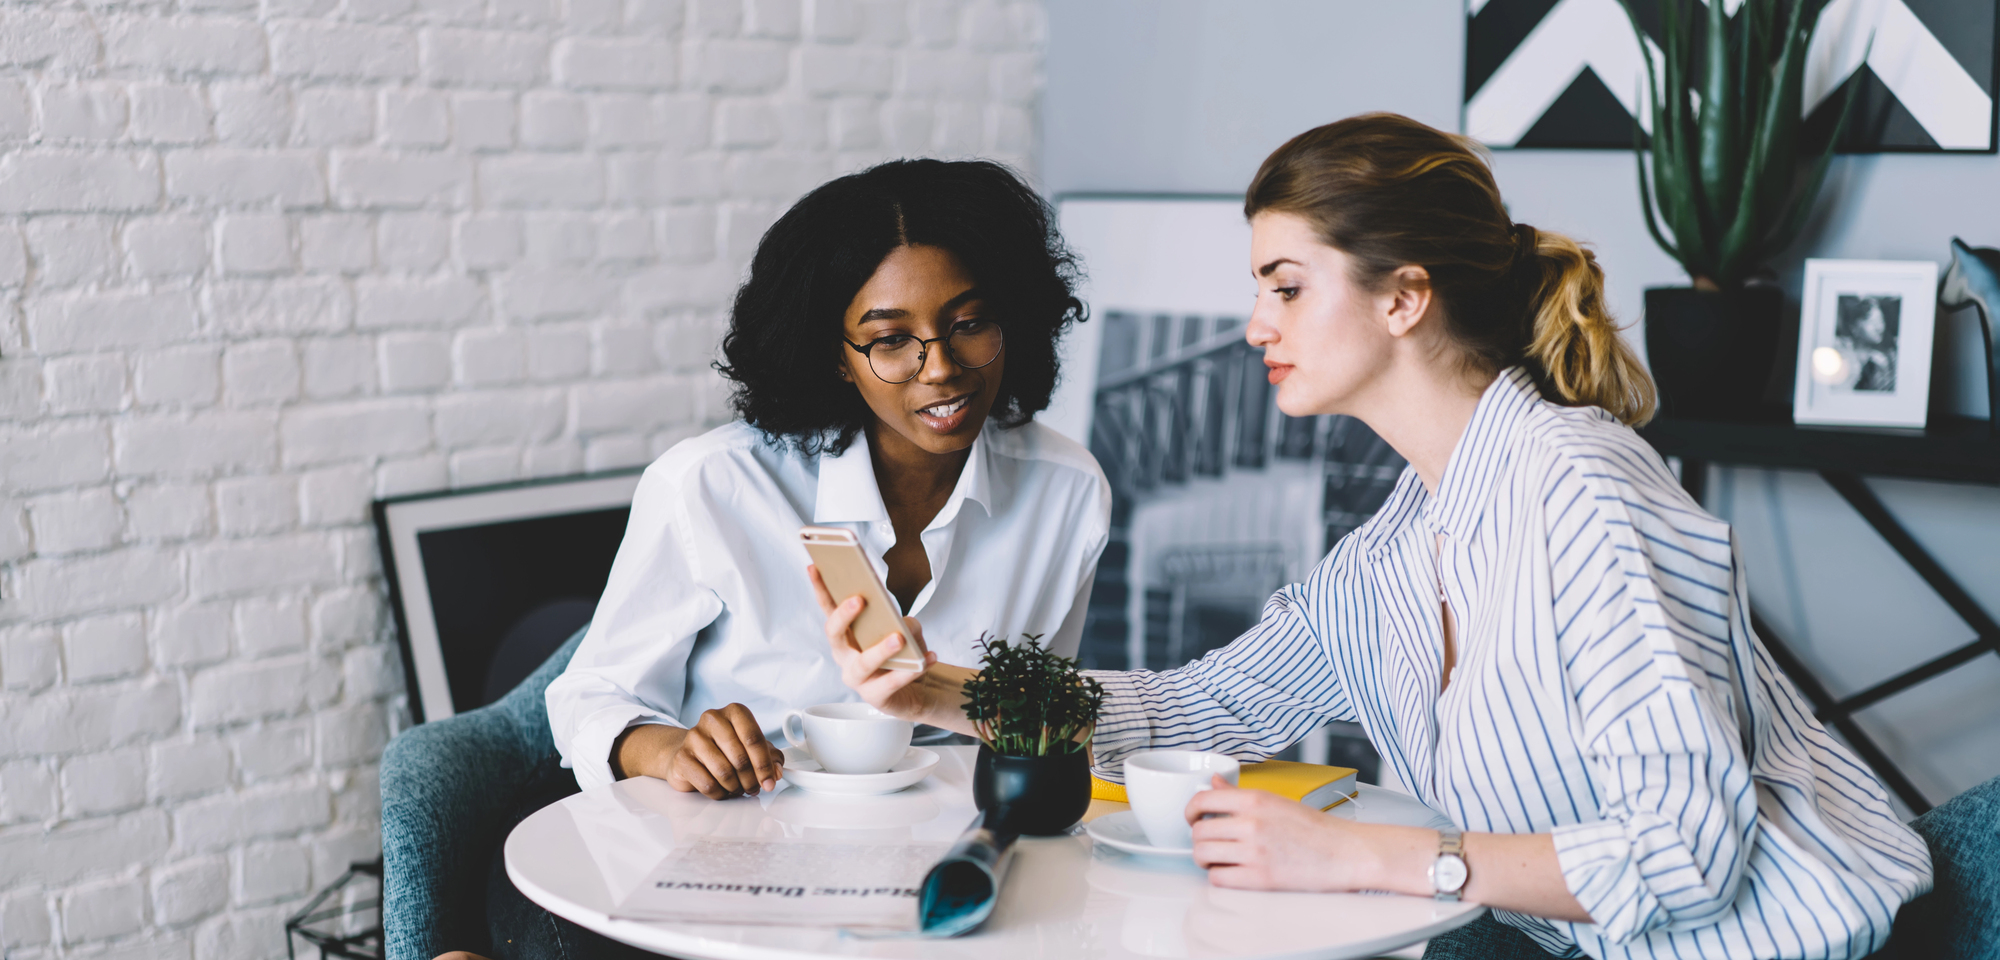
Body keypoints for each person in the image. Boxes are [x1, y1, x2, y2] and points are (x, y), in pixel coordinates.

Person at [815, 115, 1932, 960]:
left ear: (1403, 298)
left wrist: (1363, 856)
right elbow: (1196, 704)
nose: (1255, 324)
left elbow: (1686, 849)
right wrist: (941, 692)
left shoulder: (1579, 490)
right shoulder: (1392, 550)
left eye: (1286, 288)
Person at [546, 157, 1111, 801]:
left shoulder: (1067, 492)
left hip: (950, 845)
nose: (940, 369)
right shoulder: (710, 487)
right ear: (838, 359)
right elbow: (588, 695)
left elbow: (1039, 725)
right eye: (892, 340)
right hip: (743, 844)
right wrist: (671, 748)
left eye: (969, 325)